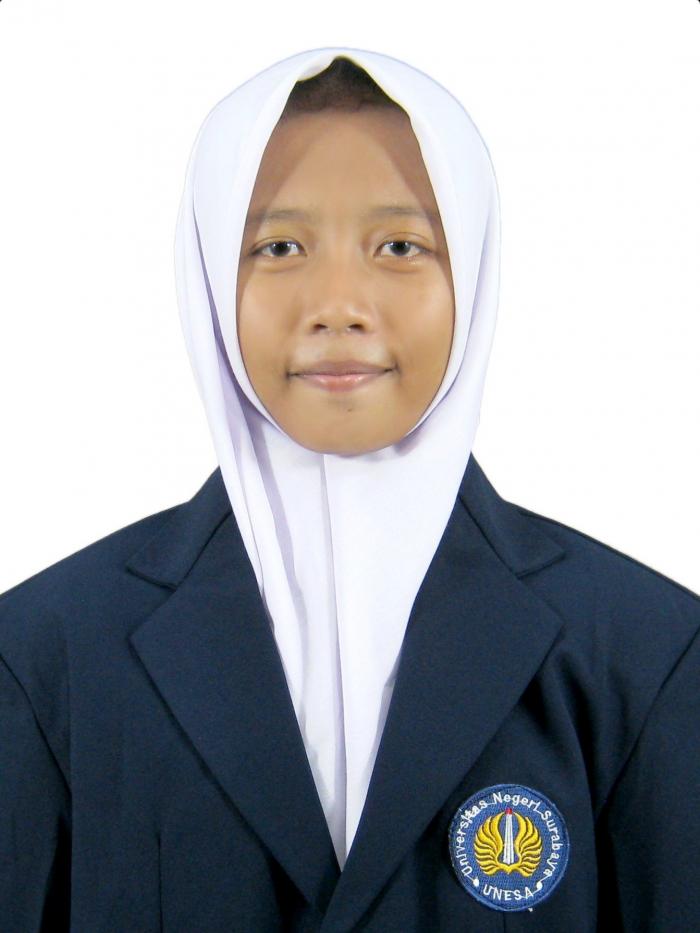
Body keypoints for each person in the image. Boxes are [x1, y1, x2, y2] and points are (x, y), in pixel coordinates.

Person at [1, 46, 698, 933]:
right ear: (208, 273)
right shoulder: (43, 659)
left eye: (401, 246)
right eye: (279, 246)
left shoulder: (646, 655)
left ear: (473, 269)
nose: (338, 304)